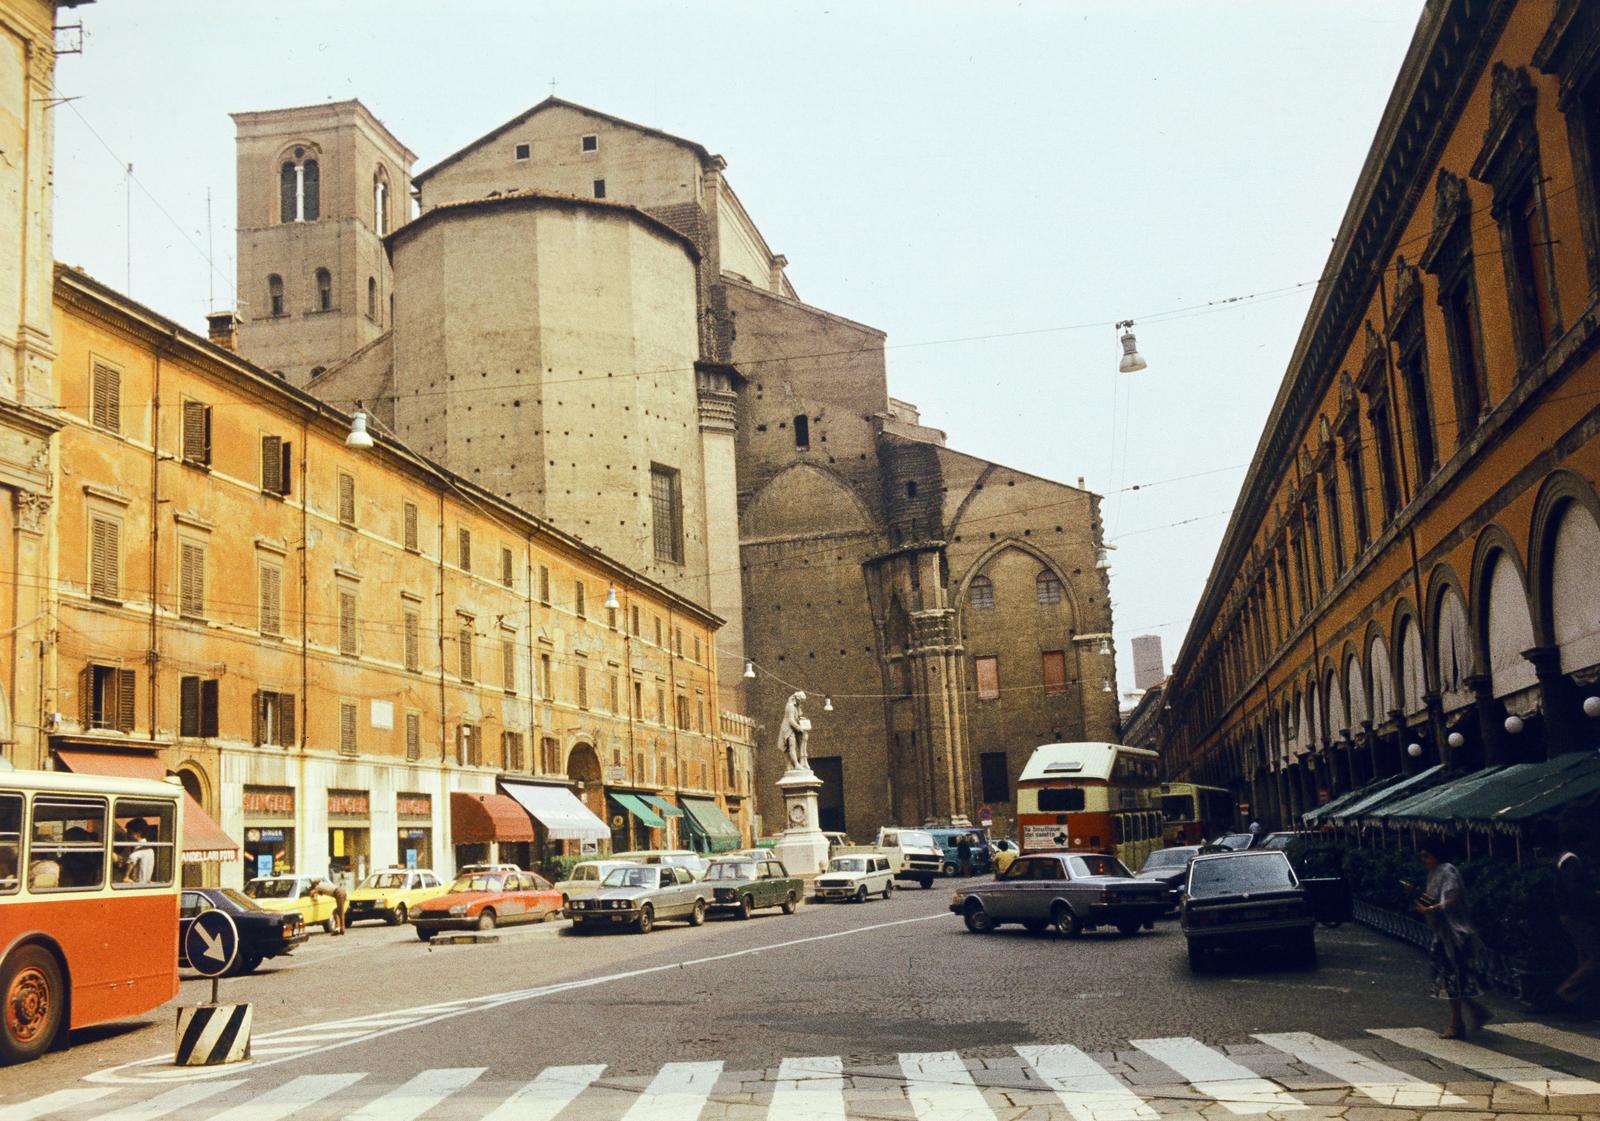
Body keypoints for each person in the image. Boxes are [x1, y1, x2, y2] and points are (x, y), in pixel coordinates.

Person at [1413, 837, 1491, 1038]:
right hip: (1443, 933)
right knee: (1451, 978)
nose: (1424, 860)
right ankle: (1472, 1013)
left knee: (1453, 978)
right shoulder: (1434, 873)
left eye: (1426, 856)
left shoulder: (1447, 871)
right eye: (1421, 856)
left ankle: (1458, 1023)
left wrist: (1430, 908)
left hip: (1456, 933)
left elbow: (1452, 898)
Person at [1553, 809, 1599, 1006]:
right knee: (1596, 957)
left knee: (1584, 956)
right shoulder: (1572, 861)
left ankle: (1581, 1001)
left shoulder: (1565, 859)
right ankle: (1565, 992)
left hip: (1569, 915)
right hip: (1577, 915)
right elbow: (1576, 891)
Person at [122, 818, 155, 884]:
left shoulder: (140, 850)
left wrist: (126, 876)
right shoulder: (150, 849)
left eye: (129, 832)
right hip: (145, 882)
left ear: (138, 833)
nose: (127, 835)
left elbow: (132, 858)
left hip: (137, 884)